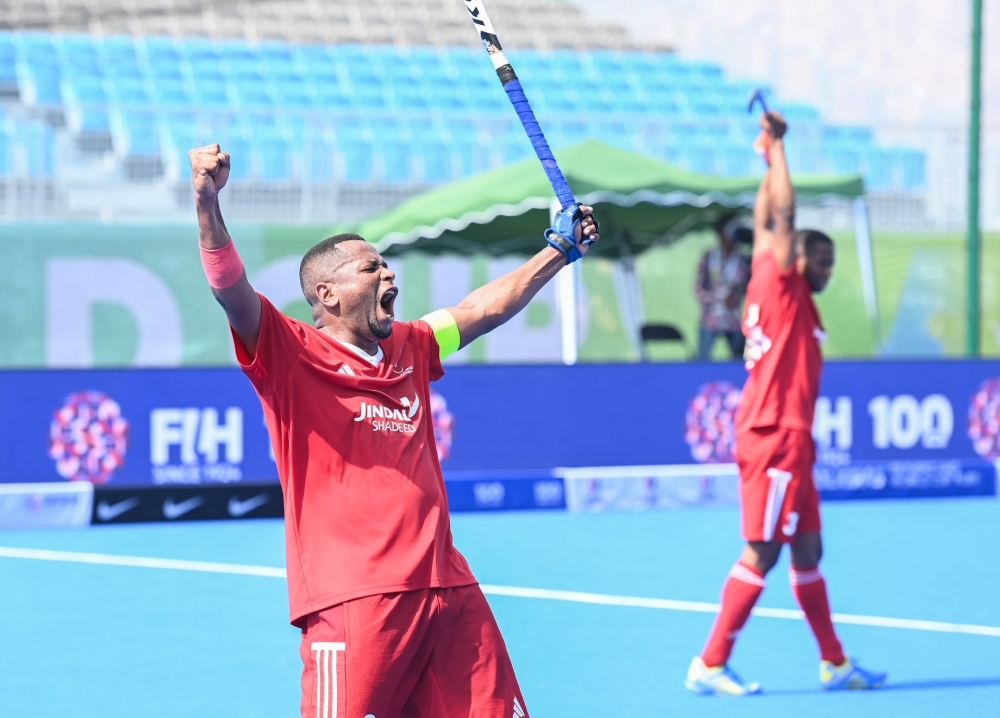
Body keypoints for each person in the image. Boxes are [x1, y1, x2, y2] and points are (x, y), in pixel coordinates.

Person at [189, 144, 598, 718]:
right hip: (356, 599)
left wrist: (556, 252)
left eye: (386, 265)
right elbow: (230, 290)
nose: (388, 273)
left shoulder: (411, 345)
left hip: (447, 589)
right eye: (371, 267)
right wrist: (207, 201)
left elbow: (482, 310)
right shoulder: (288, 352)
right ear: (326, 294)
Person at [684, 113, 886, 695]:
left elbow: (765, 216)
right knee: (764, 548)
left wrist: (770, 155)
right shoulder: (780, 282)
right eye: (822, 261)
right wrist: (778, 152)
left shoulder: (782, 289)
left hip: (792, 437)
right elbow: (778, 218)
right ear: (798, 259)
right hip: (773, 434)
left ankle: (834, 662)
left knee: (809, 546)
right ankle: (711, 663)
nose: (827, 271)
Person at [694, 217, 751, 360]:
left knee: (738, 360)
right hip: (710, 318)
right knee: (703, 360)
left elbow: (750, 286)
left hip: (734, 319)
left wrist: (735, 295)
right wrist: (719, 299)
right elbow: (698, 289)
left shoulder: (743, 260)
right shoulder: (709, 257)